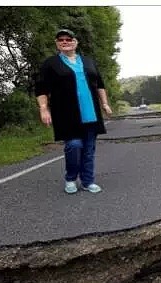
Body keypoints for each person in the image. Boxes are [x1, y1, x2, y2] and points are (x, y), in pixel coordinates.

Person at [35, 28, 113, 194]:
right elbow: (42, 88)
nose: (65, 42)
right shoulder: (51, 63)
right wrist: (44, 109)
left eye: (68, 39)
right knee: (74, 145)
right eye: (61, 39)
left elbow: (99, 84)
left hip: (90, 112)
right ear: (57, 44)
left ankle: (87, 181)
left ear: (75, 42)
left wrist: (105, 104)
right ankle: (70, 178)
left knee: (89, 149)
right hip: (65, 114)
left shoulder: (88, 61)